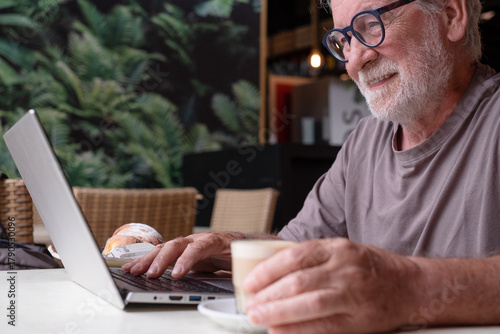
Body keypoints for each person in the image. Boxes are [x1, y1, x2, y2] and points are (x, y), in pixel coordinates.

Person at [123, 0, 500, 332]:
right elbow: (295, 246)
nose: (355, 58)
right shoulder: (365, 141)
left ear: (451, 15)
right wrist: (232, 247)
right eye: (345, 39)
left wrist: (408, 287)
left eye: (372, 25)